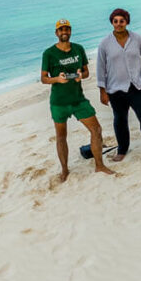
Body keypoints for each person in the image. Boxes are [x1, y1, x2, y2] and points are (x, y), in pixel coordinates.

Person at [40, 19, 114, 181]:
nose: (64, 32)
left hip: (79, 100)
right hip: (59, 103)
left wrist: (82, 75)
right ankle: (65, 170)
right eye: (61, 29)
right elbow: (44, 78)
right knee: (61, 137)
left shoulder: (79, 49)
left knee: (96, 130)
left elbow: (86, 72)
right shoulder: (49, 53)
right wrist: (56, 80)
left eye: (66, 29)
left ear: (70, 31)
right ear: (56, 33)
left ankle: (99, 165)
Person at [96, 8, 141, 162]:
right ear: (112, 23)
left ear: (127, 22)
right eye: (115, 21)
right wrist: (102, 91)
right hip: (115, 89)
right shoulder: (104, 44)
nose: (119, 24)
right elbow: (100, 67)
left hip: (136, 87)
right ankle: (122, 150)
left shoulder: (137, 39)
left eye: (122, 21)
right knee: (120, 121)